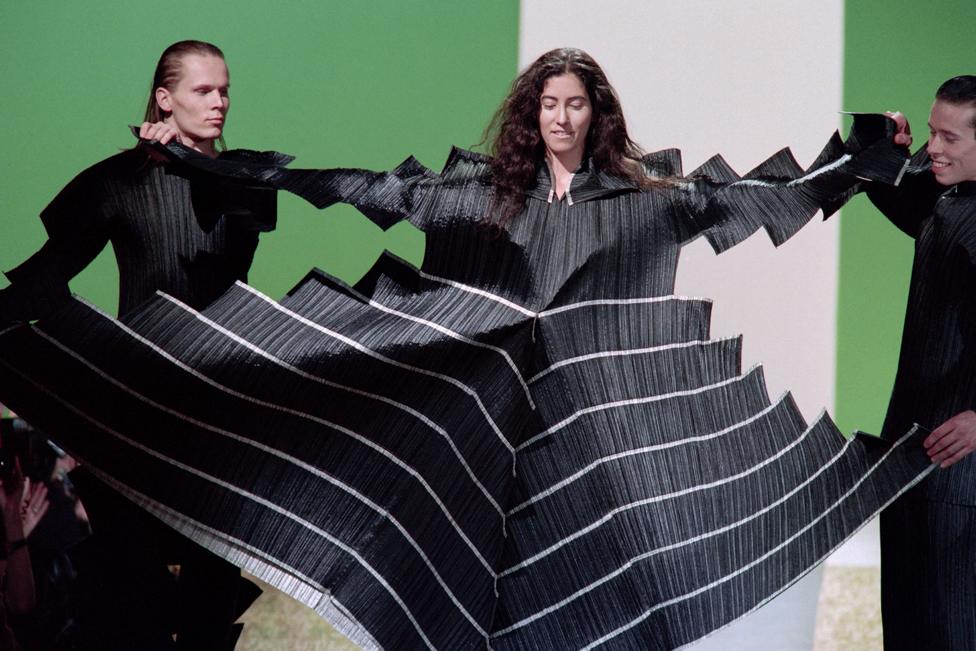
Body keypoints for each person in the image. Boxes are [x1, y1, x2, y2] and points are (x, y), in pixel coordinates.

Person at [0, 48, 927, 649]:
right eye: (549, 105)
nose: (562, 119)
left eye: (578, 105)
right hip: (475, 415)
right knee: (446, 585)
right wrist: (200, 161)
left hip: (594, 432)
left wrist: (859, 162)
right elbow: (349, 185)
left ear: (599, 115)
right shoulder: (473, 194)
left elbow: (760, 199)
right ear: (530, 116)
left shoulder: (648, 199)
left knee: (586, 593)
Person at [0, 40, 273, 649]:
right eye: (203, 90)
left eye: (224, 89)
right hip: (135, 411)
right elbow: (47, 274)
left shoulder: (247, 178)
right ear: (163, 97)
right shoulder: (119, 182)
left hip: (215, 411)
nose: (220, 102)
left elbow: (234, 249)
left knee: (210, 606)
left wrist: (188, 163)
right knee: (132, 603)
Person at [865, 75, 976, 650]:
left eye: (949, 138)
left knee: (953, 629)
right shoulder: (949, 200)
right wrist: (889, 148)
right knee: (909, 627)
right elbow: (896, 191)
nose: (935, 147)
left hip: (961, 476)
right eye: (933, 132)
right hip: (912, 460)